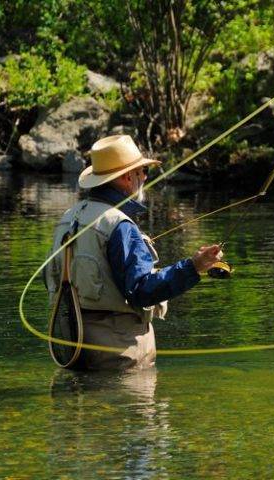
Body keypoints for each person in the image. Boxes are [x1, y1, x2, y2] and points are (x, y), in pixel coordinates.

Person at [44, 134, 222, 370]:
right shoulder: (119, 225)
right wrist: (193, 267)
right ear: (128, 177)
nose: (145, 177)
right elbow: (143, 290)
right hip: (119, 353)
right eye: (143, 172)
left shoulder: (69, 218)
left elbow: (51, 279)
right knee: (132, 407)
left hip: (72, 347)